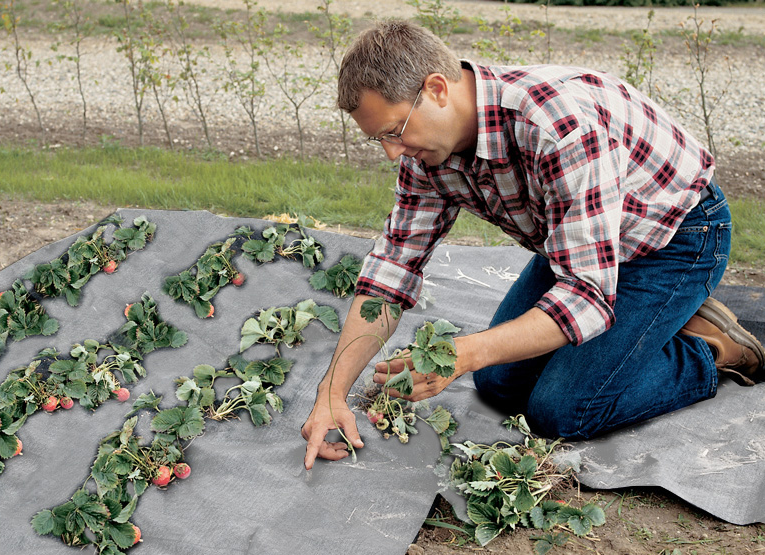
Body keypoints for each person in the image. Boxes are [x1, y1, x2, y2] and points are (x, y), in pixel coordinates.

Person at [302, 20, 764, 470]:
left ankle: (710, 352)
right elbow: (391, 272)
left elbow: (586, 296)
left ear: (437, 89)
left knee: (562, 410)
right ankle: (650, 326)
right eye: (378, 138)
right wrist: (331, 394)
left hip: (675, 237)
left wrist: (461, 353)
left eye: (394, 131)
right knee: (497, 382)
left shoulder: (556, 126)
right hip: (580, 243)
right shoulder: (426, 155)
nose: (390, 152)